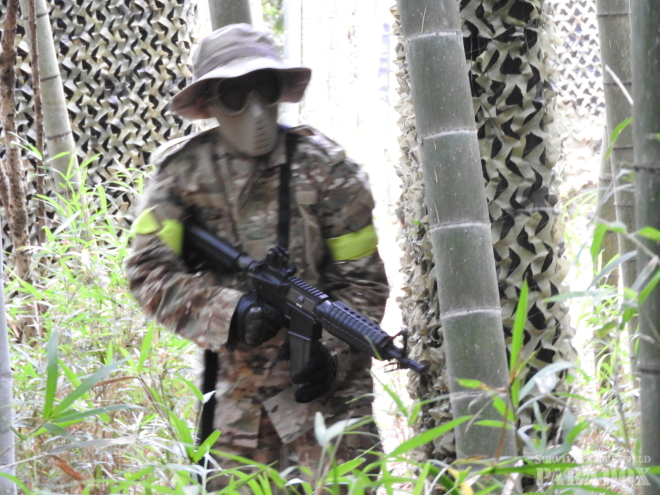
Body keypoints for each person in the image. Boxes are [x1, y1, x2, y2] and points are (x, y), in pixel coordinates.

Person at [124, 23, 389, 492]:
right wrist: (232, 311)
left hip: (330, 404)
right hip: (239, 409)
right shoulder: (183, 175)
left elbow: (363, 281)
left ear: (280, 90)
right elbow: (148, 272)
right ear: (209, 102)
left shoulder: (328, 170)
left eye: (264, 89)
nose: (256, 111)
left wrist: (329, 351)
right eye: (234, 95)